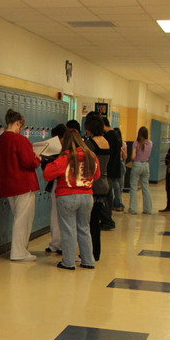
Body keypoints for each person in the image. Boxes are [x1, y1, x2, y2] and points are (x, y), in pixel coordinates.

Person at [43, 128, 100, 270]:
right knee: (84, 229)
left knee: (69, 230)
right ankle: (88, 261)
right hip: (87, 196)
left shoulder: (65, 157)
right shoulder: (91, 155)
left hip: (67, 196)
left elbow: (47, 174)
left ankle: (68, 262)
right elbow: (97, 175)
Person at [0, 108, 41, 261]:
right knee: (23, 219)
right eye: (21, 126)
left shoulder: (0, 140)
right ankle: (19, 252)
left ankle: (18, 250)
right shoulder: (19, 140)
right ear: (18, 123)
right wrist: (38, 158)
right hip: (24, 183)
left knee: (18, 217)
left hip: (8, 184)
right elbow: (29, 161)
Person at [83, 114, 112, 260]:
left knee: (88, 223)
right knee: (96, 221)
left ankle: (89, 253)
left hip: (93, 184)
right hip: (104, 183)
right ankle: (96, 252)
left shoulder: (90, 144)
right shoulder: (106, 142)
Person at [41, 123, 66, 255]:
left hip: (64, 185)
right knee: (55, 215)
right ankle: (56, 243)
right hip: (56, 183)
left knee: (62, 216)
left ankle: (62, 244)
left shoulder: (68, 151)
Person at [127, 125, 153, 215]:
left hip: (137, 165)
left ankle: (133, 209)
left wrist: (132, 159)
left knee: (133, 187)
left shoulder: (136, 143)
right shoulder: (150, 143)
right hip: (146, 165)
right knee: (146, 187)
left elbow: (133, 157)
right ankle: (148, 209)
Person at [101, 116, 126, 213]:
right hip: (115, 168)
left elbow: (109, 154)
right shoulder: (115, 135)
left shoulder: (110, 136)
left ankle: (108, 216)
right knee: (112, 190)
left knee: (108, 193)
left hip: (110, 169)